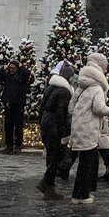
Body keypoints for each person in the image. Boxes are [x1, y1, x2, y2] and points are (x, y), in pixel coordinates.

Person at [69, 52, 109, 205]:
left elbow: (71, 107)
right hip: (90, 129)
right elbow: (99, 108)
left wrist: (80, 118)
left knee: (86, 161)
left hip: (78, 128)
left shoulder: (81, 86)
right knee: (88, 163)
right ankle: (81, 195)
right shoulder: (97, 88)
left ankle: (86, 191)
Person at [37, 59, 75, 199]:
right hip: (54, 125)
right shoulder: (64, 92)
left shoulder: (50, 88)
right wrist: (65, 133)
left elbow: (41, 108)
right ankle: (46, 184)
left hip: (46, 123)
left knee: (52, 155)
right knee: (57, 156)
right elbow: (61, 113)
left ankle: (48, 187)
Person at [0, 59, 31, 155]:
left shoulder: (21, 75)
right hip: (9, 103)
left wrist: (21, 67)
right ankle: (9, 145)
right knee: (8, 126)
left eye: (13, 68)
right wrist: (3, 68)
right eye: (10, 68)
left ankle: (18, 145)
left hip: (18, 104)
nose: (11, 70)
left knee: (18, 126)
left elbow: (27, 73)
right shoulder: (7, 75)